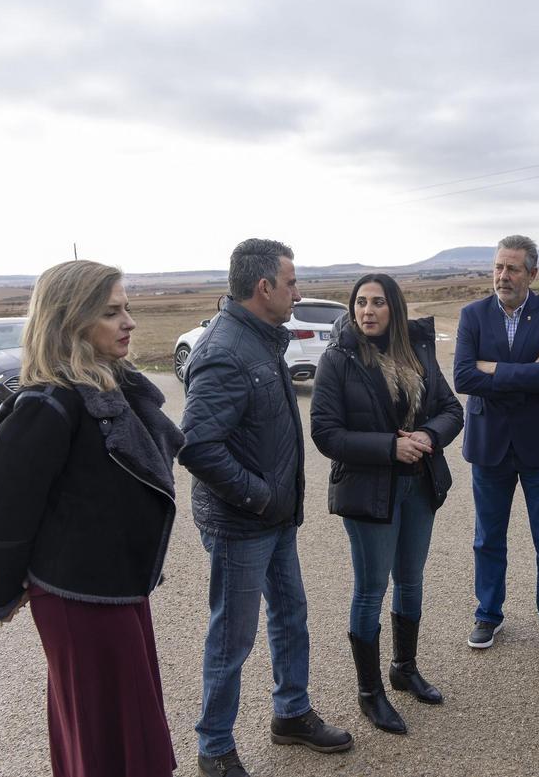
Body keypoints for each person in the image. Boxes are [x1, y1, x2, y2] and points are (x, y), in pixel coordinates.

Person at [0, 260, 185, 777]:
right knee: (102, 728)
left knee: (122, 723)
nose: (128, 321)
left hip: (118, 589)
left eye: (127, 307)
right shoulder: (48, 405)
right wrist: (2, 594)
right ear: (70, 321)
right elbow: (0, 515)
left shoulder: (109, 390)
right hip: (78, 598)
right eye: (112, 311)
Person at [179, 239, 352, 777]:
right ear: (264, 288)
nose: (297, 293)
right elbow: (198, 446)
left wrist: (277, 501)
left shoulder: (260, 340)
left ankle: (291, 713)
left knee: (290, 616)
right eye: (292, 283)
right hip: (242, 522)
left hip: (275, 518)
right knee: (233, 637)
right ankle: (214, 748)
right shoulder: (225, 349)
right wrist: (258, 495)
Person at [310, 273, 464, 734]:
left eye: (378, 302)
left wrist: (428, 435)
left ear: (394, 309)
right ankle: (370, 692)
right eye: (360, 302)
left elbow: (451, 410)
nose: (367, 311)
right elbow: (325, 433)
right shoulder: (338, 359)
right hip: (368, 491)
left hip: (419, 486)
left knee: (411, 581)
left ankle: (404, 668)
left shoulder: (418, 351)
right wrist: (388, 447)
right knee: (370, 590)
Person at [453, 234, 539, 658]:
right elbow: (464, 378)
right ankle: (488, 614)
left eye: (513, 269)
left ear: (533, 273)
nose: (503, 276)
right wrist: (523, 371)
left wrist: (494, 370)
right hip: (489, 444)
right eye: (498, 267)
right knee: (488, 537)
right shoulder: (472, 315)